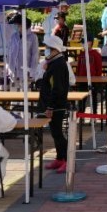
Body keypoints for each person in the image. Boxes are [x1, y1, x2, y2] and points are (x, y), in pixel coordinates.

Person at [38, 34, 73, 173]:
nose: (47, 50)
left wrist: (50, 106)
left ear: (56, 49)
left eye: (49, 48)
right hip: (53, 104)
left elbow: (57, 88)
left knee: (58, 134)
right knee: (55, 133)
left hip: (56, 106)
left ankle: (67, 160)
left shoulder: (58, 65)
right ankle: (60, 158)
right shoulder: (54, 63)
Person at [5, 13, 40, 88]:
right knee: (13, 92)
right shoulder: (13, 36)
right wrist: (7, 67)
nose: (15, 26)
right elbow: (9, 52)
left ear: (22, 25)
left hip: (26, 71)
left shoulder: (33, 37)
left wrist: (32, 72)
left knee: (25, 91)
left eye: (17, 25)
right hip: (13, 71)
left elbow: (35, 55)